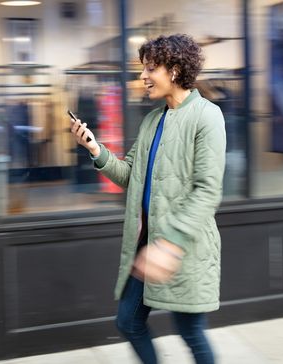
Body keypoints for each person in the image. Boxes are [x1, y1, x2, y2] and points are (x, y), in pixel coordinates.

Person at [70, 34, 226, 364]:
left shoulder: (207, 117)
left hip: (183, 247)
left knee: (190, 332)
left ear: (175, 69)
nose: (142, 77)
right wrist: (94, 149)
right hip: (147, 246)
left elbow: (207, 191)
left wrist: (169, 244)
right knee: (128, 321)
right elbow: (130, 175)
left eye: (150, 68)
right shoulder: (151, 121)